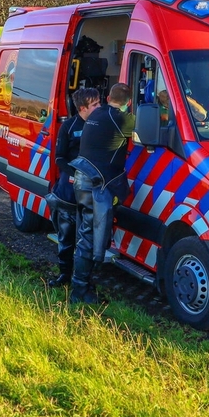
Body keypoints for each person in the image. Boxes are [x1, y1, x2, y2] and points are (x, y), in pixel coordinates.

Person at [68, 82, 135, 304]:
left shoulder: (98, 113)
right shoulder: (122, 119)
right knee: (89, 235)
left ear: (107, 98)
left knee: (86, 232)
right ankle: (79, 291)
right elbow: (148, 131)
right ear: (128, 103)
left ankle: (82, 283)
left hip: (82, 177)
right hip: (96, 181)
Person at [47, 88, 100, 288]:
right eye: (95, 104)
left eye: (99, 103)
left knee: (88, 238)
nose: (99, 107)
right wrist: (74, 175)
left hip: (93, 190)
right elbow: (59, 157)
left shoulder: (101, 126)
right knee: (67, 236)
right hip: (68, 192)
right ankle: (64, 275)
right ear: (83, 108)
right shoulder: (69, 127)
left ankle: (85, 278)